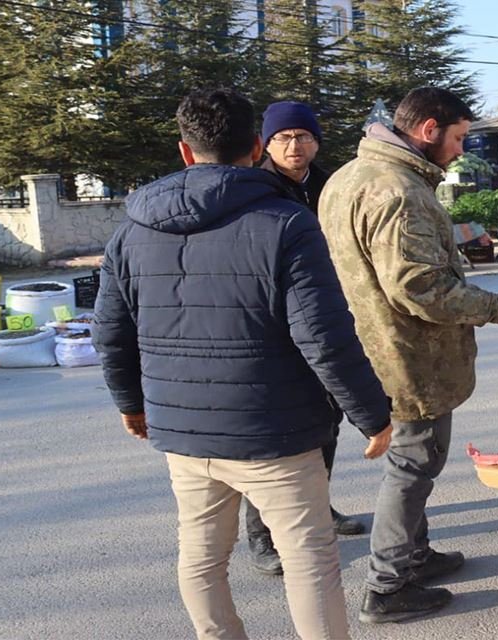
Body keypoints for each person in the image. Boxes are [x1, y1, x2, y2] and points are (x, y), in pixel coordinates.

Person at [92, 87, 393, 640]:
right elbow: (323, 335)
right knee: (308, 561)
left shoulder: (132, 228)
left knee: (202, 556)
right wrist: (371, 413)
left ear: (185, 151)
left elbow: (110, 329)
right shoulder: (285, 223)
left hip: (183, 432)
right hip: (274, 431)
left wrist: (129, 405)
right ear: (257, 147)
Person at [319, 87, 498, 624]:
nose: (462, 149)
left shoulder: (348, 176)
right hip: (407, 358)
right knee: (413, 465)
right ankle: (388, 585)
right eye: (459, 137)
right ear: (427, 131)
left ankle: (414, 556)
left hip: (371, 347)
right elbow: (421, 290)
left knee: (413, 462)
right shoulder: (398, 191)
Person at [239, 100, 362, 578]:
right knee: (274, 440)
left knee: (326, 423)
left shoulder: (330, 186)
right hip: (275, 328)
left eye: (304, 136)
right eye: (284, 138)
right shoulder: (255, 189)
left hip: (326, 317)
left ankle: (317, 506)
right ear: (266, 144)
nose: (296, 146)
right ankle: (262, 533)